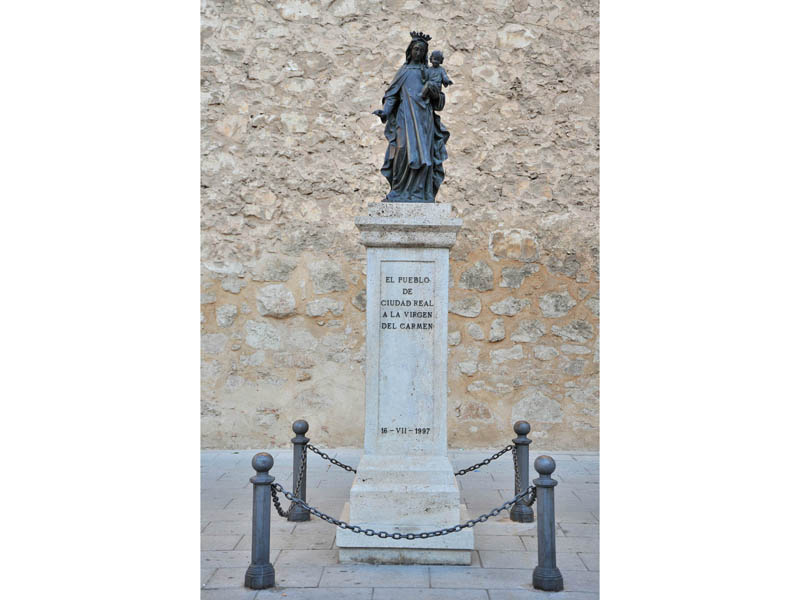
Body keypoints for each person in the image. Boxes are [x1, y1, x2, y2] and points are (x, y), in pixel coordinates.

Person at [372, 32, 450, 203]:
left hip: (424, 120)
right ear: (410, 50)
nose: (418, 52)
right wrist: (385, 112)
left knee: (424, 156)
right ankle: (399, 190)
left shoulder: (428, 72)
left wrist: (435, 93)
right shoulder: (404, 71)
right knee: (402, 150)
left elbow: (439, 101)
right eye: (415, 49)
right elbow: (392, 96)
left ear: (425, 53)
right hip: (405, 118)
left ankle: (421, 192)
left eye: (421, 50)